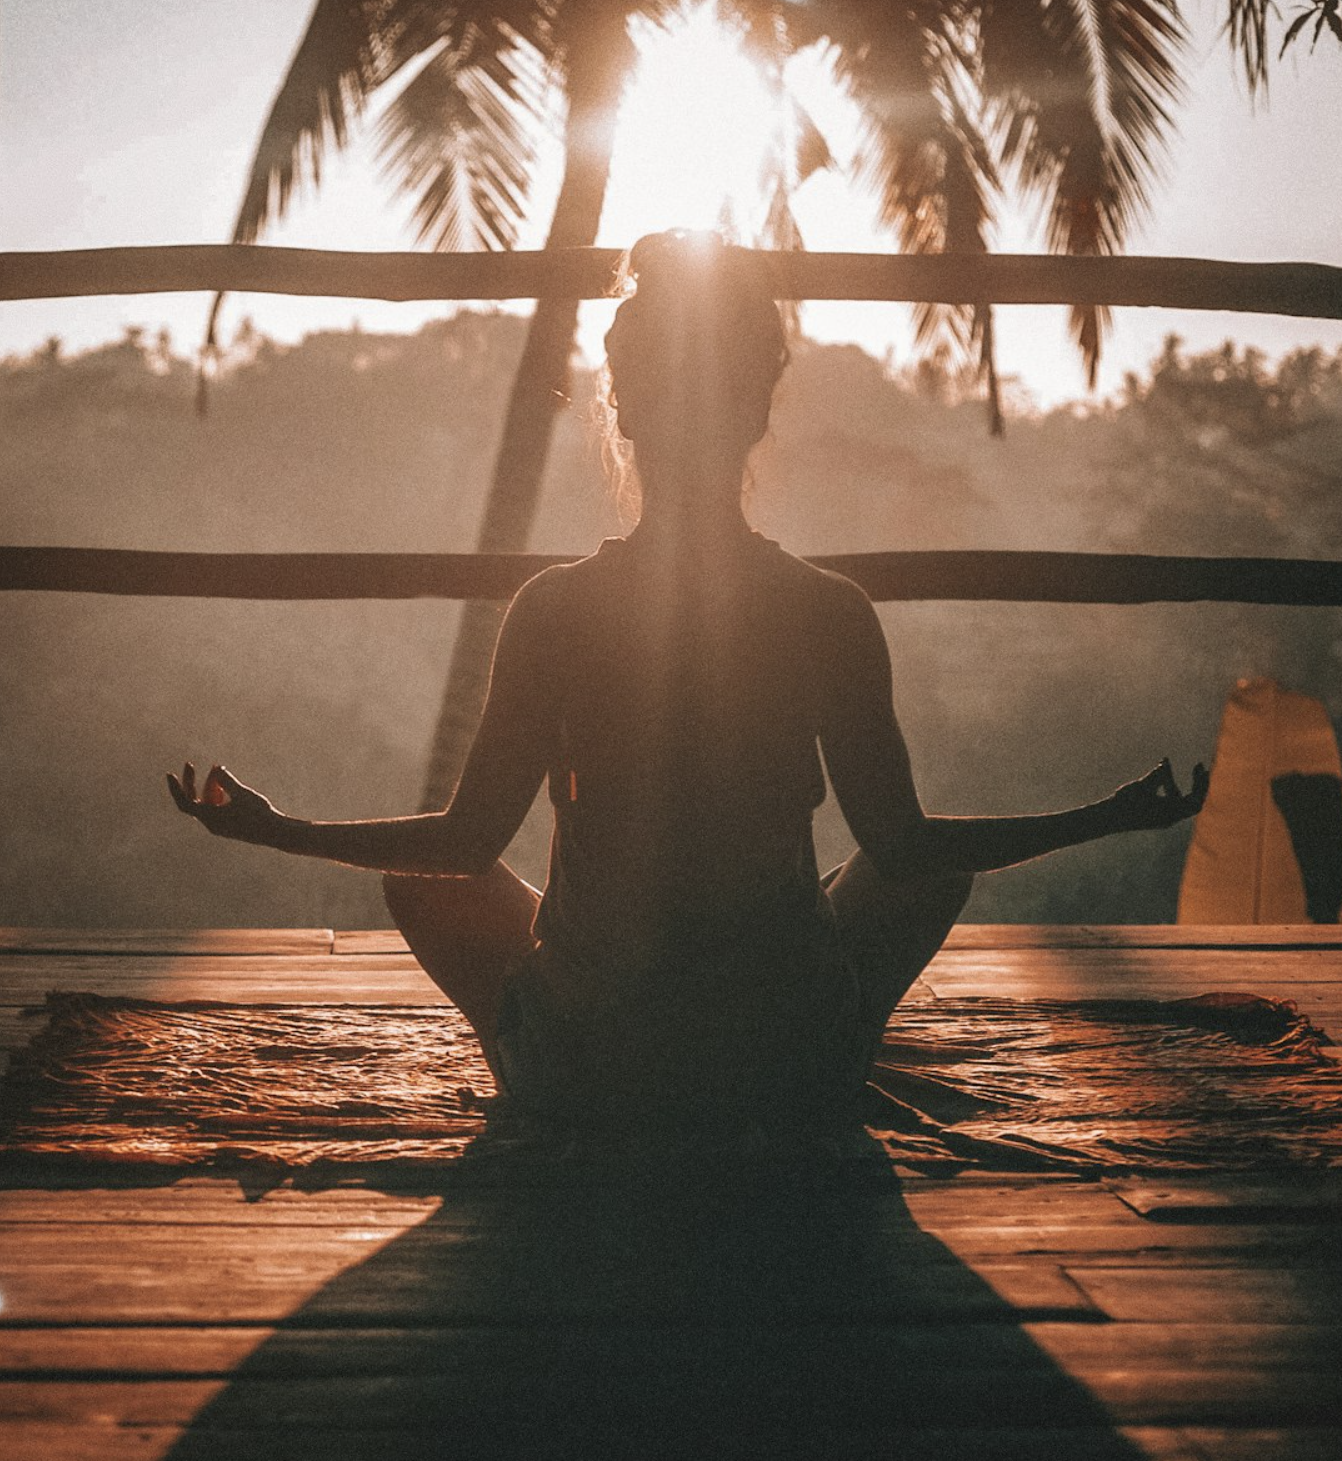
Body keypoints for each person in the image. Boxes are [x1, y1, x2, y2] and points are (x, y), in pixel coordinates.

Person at [169, 231, 1207, 1138]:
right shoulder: (827, 610)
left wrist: (278, 827)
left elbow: (462, 845)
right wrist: (1108, 815)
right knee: (928, 867)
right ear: (756, 412)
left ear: (622, 413)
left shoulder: (555, 609)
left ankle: (542, 1065)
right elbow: (907, 848)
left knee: (424, 880)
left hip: (592, 1070)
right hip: (782, 1063)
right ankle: (825, 1047)